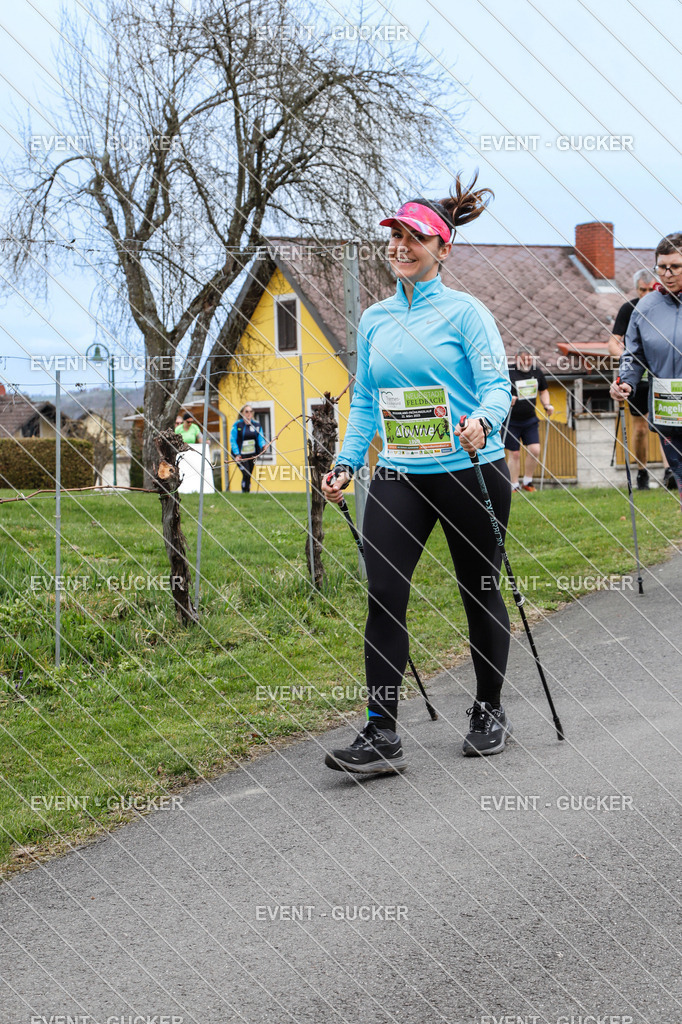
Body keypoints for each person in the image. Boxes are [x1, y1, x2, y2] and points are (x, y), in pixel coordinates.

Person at [321, 174, 513, 777]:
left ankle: (489, 708)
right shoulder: (374, 318)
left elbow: (497, 388)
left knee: (477, 588)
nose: (401, 246)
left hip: (468, 469)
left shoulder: (467, 313)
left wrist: (482, 421)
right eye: (395, 236)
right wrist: (348, 462)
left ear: (443, 248)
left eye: (415, 238)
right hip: (400, 474)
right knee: (384, 592)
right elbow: (368, 401)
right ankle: (382, 733)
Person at [611, 233, 682, 508]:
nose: (667, 273)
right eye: (661, 267)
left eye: (675, 266)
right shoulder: (646, 307)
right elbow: (633, 353)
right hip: (669, 416)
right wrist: (625, 381)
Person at [607, 269, 668, 490]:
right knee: (641, 428)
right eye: (641, 290)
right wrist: (630, 360)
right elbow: (613, 343)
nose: (645, 294)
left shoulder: (666, 308)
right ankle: (642, 472)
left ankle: (670, 470)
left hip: (662, 376)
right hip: (637, 379)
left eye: (649, 289)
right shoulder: (630, 309)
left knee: (665, 425)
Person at [504, 351, 554, 492]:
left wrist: (547, 405)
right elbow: (500, 389)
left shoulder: (536, 372)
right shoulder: (508, 372)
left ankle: (528, 481)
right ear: (516, 358)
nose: (527, 362)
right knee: (515, 453)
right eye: (524, 359)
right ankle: (514, 485)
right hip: (511, 420)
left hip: (529, 419)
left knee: (534, 450)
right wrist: (509, 397)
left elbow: (544, 391)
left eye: (529, 360)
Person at [230, 403, 266, 493]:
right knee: (246, 473)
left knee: (249, 474)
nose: (249, 413)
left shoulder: (256, 425)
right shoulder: (237, 425)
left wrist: (263, 445)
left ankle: (247, 492)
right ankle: (244, 491)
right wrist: (237, 454)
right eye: (246, 411)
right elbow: (233, 440)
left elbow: (260, 438)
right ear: (242, 413)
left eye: (250, 411)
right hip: (240, 455)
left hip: (252, 454)